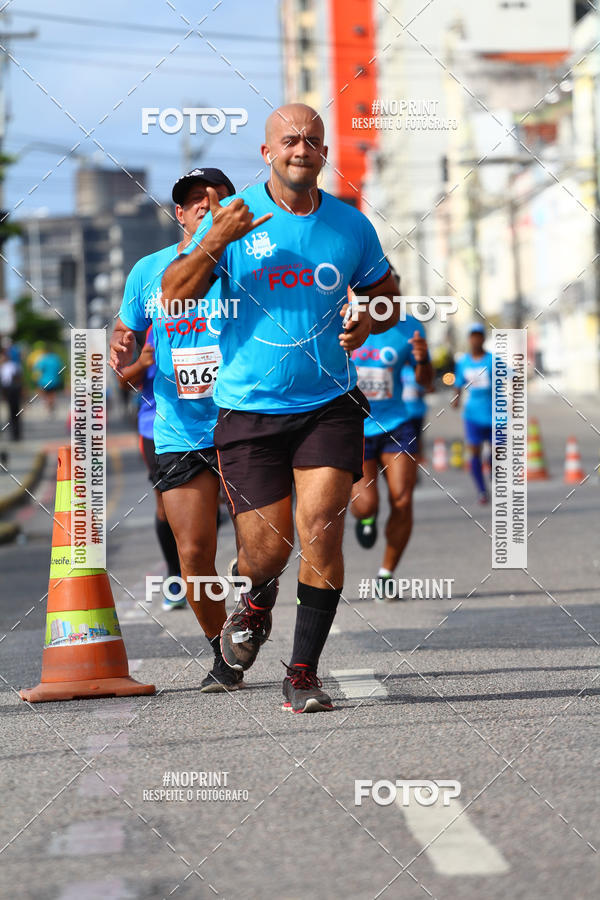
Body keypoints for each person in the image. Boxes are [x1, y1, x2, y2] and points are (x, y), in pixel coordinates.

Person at [161, 103, 401, 713]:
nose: (303, 148)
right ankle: (257, 599)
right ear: (267, 153)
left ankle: (303, 673)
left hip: (329, 402)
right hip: (248, 409)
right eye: (290, 139)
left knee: (320, 527)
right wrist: (214, 237)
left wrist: (368, 320)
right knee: (265, 552)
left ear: (324, 153)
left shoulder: (351, 226)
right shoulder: (235, 217)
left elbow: (388, 296)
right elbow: (174, 295)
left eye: (314, 140)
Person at [109, 167, 241, 691]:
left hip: (248, 424)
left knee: (262, 548)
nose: (206, 207)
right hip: (180, 428)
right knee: (193, 552)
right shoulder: (149, 271)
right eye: (195, 201)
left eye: (218, 199)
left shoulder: (252, 264)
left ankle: (251, 613)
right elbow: (125, 331)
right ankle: (222, 654)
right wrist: (121, 346)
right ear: (181, 213)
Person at [349, 317, 433, 595]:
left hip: (397, 424)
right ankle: (366, 517)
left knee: (403, 498)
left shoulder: (409, 327)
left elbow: (427, 383)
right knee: (365, 505)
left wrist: (422, 361)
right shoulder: (338, 318)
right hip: (354, 426)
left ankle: (386, 575)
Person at [115, 325, 184, 610]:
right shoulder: (154, 329)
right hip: (155, 429)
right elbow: (124, 381)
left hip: (210, 423)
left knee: (213, 504)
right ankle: (175, 578)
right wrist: (143, 363)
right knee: (165, 505)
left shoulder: (215, 310)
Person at [451, 322, 493, 503]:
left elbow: (512, 376)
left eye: (478, 335)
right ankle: (482, 491)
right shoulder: (463, 362)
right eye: (472, 336)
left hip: (494, 414)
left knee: (498, 452)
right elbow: (458, 383)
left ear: (483, 338)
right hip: (472, 415)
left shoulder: (493, 360)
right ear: (469, 339)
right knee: (474, 452)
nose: (475, 339)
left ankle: (493, 470)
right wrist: (456, 399)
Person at [0, 347, 23, 441]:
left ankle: (15, 433)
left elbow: (17, 378)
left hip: (12, 390)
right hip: (5, 389)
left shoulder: (12, 365)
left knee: (14, 412)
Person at [32, 348, 64, 412]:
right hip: (55, 380)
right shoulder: (56, 359)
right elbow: (60, 368)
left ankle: (48, 404)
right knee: (52, 393)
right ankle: (51, 404)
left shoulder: (44, 359)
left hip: (44, 380)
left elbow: (37, 367)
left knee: (45, 393)